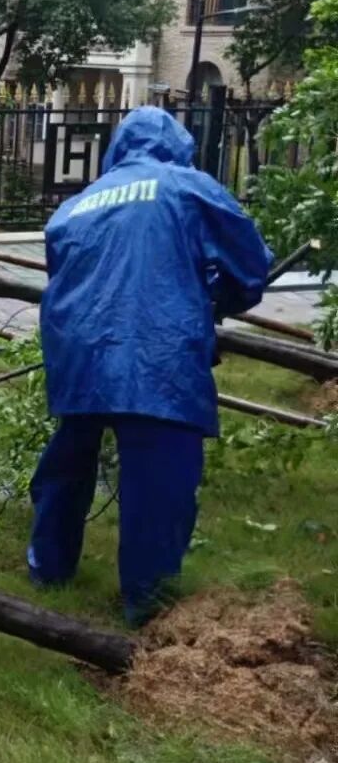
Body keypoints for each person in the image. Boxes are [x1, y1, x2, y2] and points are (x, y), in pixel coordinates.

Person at [30, 106, 272, 625]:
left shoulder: (75, 206)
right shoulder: (189, 187)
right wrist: (216, 298)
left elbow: (66, 274)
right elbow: (251, 267)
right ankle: (147, 602)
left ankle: (48, 569)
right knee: (158, 483)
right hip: (155, 355)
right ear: (178, 147)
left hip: (77, 351)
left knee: (68, 464)